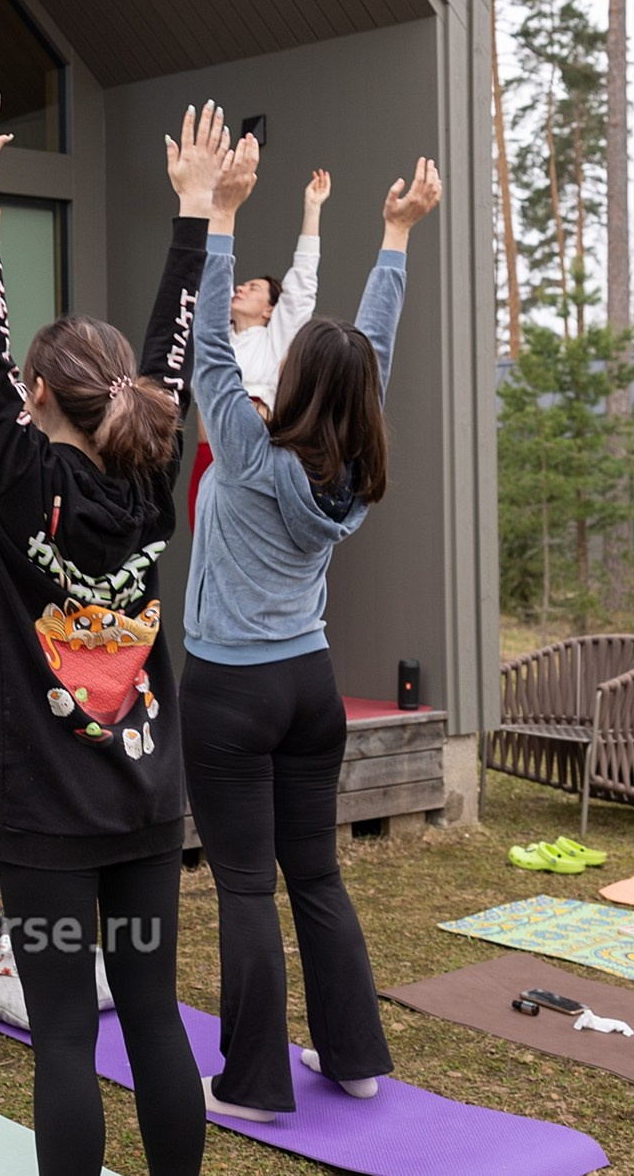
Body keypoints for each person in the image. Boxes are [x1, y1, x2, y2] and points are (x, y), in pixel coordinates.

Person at [0, 84, 229, 1175]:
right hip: (146, 795)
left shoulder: (20, 474)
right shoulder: (151, 474)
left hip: (46, 814)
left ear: (34, 398)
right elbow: (162, 359)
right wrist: (190, 218)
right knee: (153, 1018)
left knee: (65, 1036)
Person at [182, 146, 442, 1122]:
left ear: (294, 381)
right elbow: (367, 348)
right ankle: (353, 1059)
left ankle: (249, 1085)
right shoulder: (347, 477)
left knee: (247, 887)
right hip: (308, 687)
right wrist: (395, 236)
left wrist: (215, 218)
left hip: (230, 696)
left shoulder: (248, 452)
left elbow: (209, 344)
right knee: (316, 876)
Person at [186, 169, 330, 526]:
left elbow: (301, 285)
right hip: (206, 456)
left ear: (270, 309)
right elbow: (210, 290)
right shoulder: (217, 339)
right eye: (241, 284)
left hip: (252, 457)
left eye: (253, 288)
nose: (241, 288)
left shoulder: (274, 340)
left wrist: (312, 210)